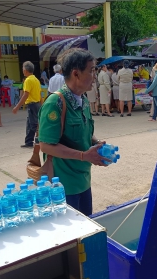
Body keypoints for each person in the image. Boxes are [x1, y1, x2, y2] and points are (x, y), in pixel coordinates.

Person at [38, 48, 108, 216]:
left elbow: (85, 131)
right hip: (63, 185)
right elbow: (46, 146)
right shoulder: (56, 103)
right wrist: (85, 156)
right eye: (91, 71)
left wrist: (96, 144)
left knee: (86, 228)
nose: (94, 76)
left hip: (83, 179)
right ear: (76, 74)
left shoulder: (83, 100)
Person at [12, 61, 41, 148]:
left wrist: (17, 106)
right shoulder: (36, 80)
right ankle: (29, 141)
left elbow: (26, 94)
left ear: (25, 70)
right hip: (37, 103)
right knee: (30, 123)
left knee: (33, 124)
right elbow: (39, 94)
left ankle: (38, 139)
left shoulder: (28, 80)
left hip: (32, 104)